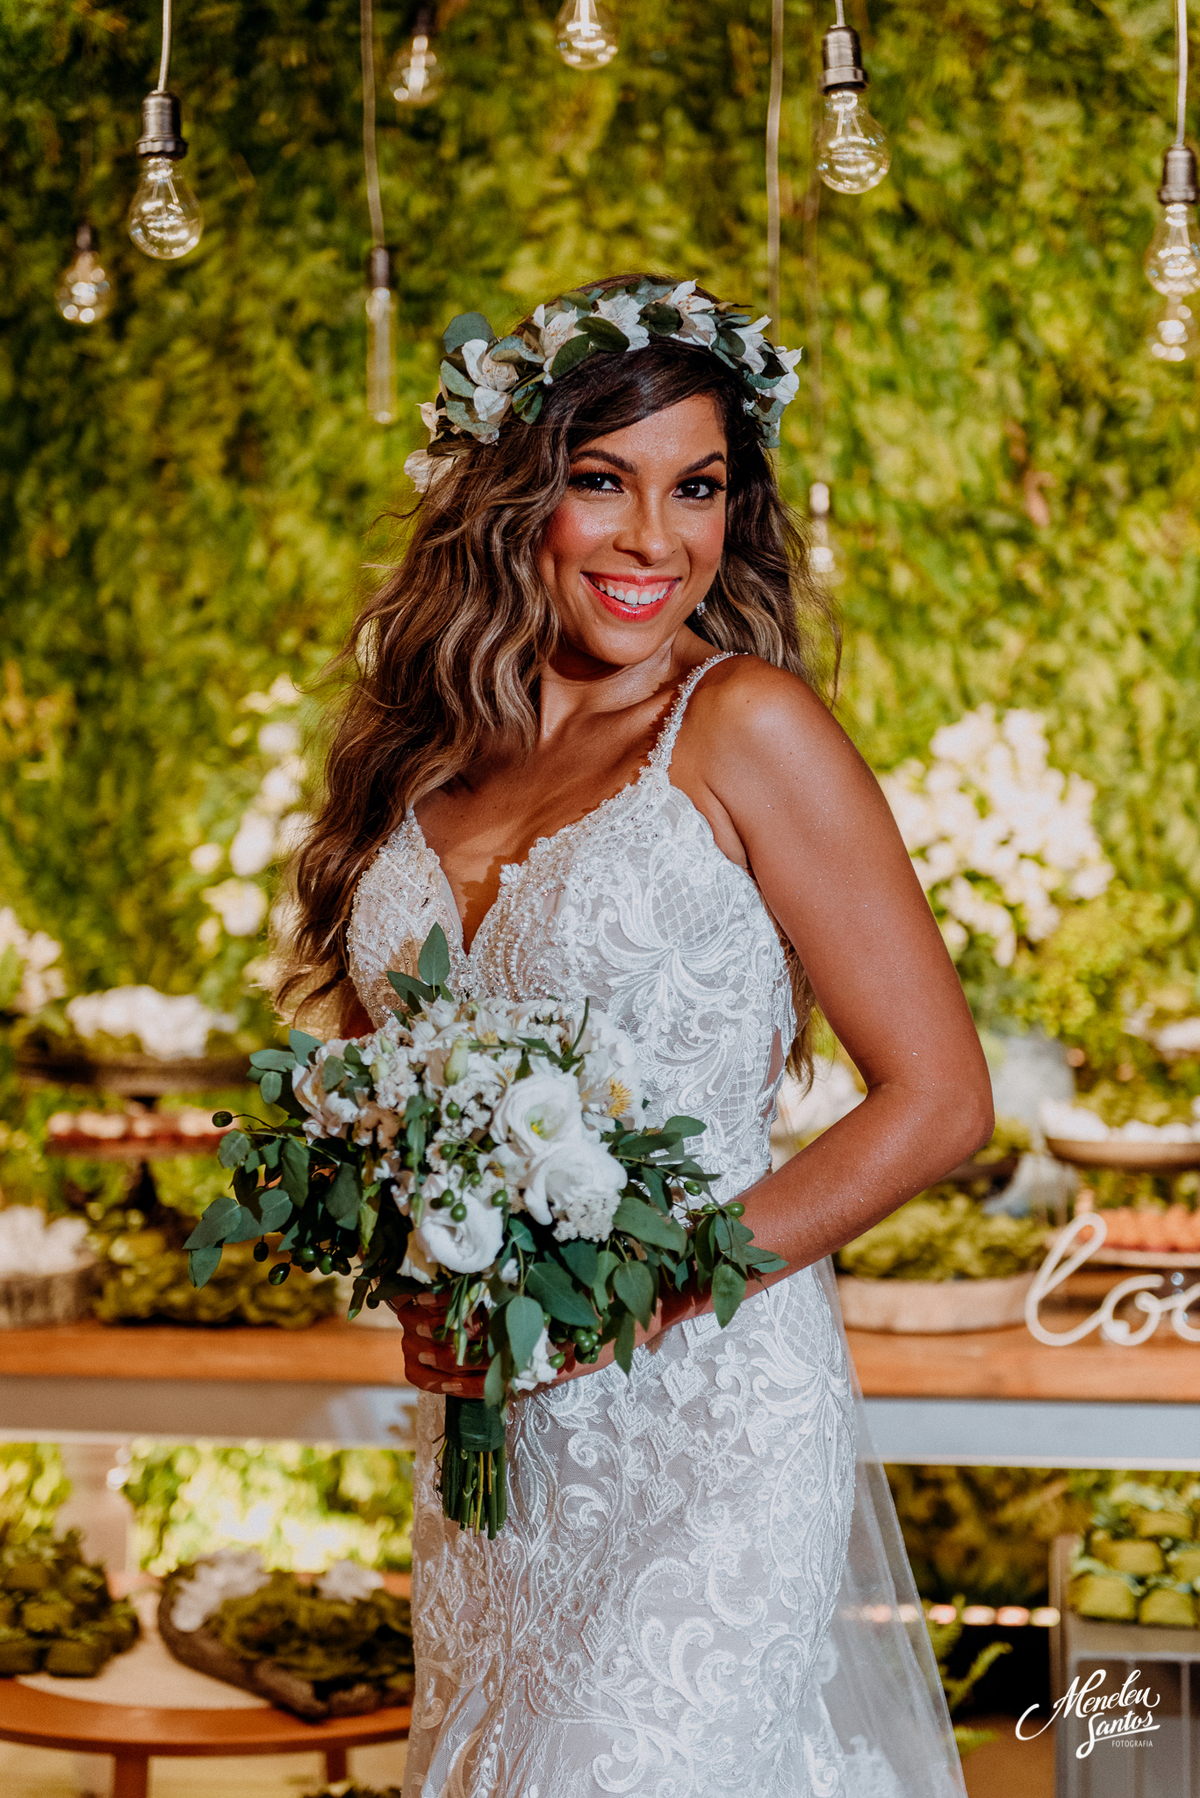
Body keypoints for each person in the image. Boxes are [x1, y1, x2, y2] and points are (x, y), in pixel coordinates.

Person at [282, 275, 992, 1798]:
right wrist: (424, 1279)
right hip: (496, 1459)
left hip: (711, 1421)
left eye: (699, 488)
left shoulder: (745, 727)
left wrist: (643, 1301)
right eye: (602, 482)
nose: (653, 540)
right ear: (511, 494)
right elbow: (394, 1112)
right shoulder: (422, 767)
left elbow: (939, 1100)